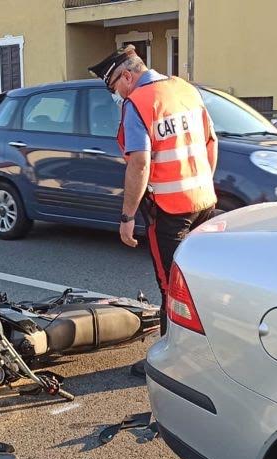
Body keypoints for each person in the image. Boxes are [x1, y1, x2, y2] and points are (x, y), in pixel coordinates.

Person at [88, 45, 218, 336]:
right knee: (200, 280)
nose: (117, 96)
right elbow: (211, 141)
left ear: (126, 77)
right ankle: (207, 351)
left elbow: (139, 163)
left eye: (114, 88)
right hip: (204, 204)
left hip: (169, 211)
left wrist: (127, 216)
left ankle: (170, 358)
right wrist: (203, 183)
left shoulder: (139, 103)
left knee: (172, 287)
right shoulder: (185, 90)